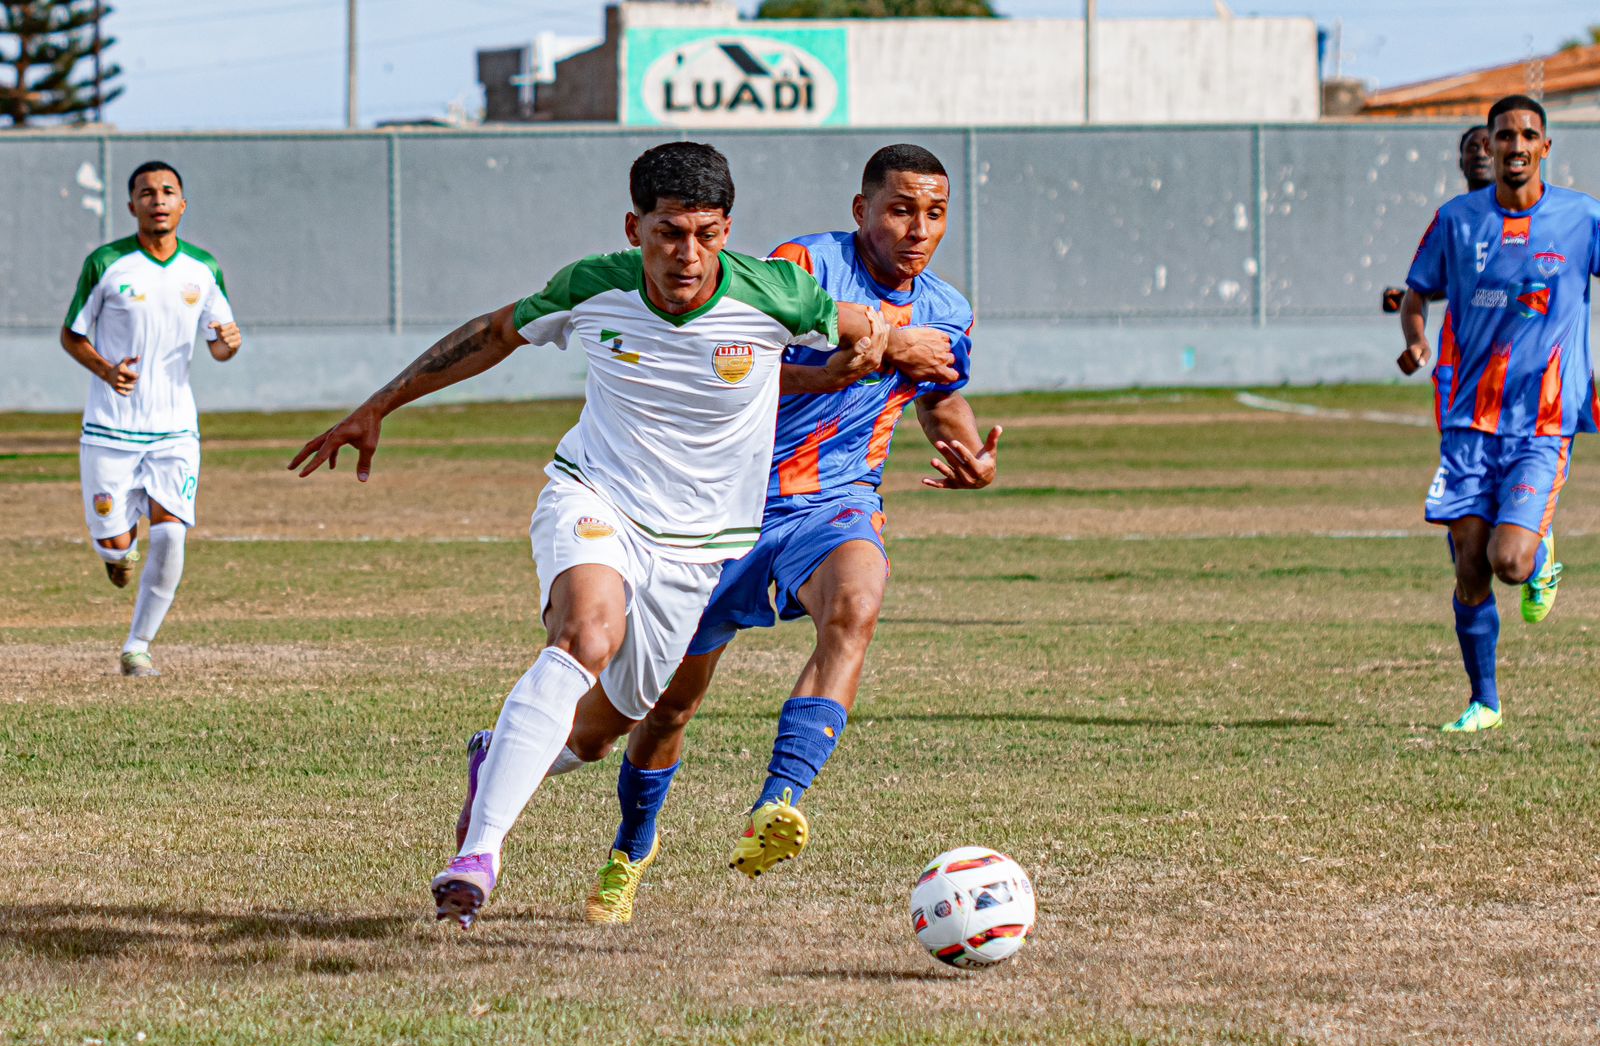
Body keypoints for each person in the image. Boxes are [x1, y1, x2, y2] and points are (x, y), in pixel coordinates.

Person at [289, 142, 890, 929]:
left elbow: (862, 330)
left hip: (698, 546)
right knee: (586, 634)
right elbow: (495, 332)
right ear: (635, 226)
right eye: (670, 233)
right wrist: (378, 405)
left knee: (609, 729)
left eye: (707, 234)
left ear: (727, 229)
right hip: (595, 494)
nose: (688, 254)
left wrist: (854, 357)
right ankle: (477, 860)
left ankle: (493, 757)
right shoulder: (594, 284)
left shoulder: (776, 292)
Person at [454, 144, 997, 925]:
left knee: (857, 603)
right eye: (900, 209)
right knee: (647, 715)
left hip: (834, 502)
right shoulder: (802, 265)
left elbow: (940, 399)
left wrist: (968, 451)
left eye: (935, 213)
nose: (917, 229)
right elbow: (738, 359)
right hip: (720, 508)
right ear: (863, 210)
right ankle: (626, 850)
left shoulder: (948, 309)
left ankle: (778, 803)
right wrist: (841, 364)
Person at [1397, 95, 1600, 733]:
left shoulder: (1581, 218)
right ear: (1487, 145)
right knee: (1468, 562)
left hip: (1542, 419)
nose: (1515, 145)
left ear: (1545, 147)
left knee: (1509, 562)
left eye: (1528, 135)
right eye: (1503, 135)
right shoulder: (1456, 221)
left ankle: (1539, 558)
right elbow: (1414, 291)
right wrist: (1415, 339)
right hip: (1468, 421)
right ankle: (1484, 701)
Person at [61, 161, 242, 678]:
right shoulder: (107, 264)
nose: (157, 199)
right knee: (119, 549)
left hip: (174, 429)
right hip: (109, 429)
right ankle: (115, 553)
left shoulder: (202, 269)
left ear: (182, 204)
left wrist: (229, 344)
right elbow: (72, 334)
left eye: (167, 191)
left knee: (170, 534)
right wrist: (104, 368)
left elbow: (220, 343)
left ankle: (138, 645)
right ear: (131, 206)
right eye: (146, 192)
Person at [1383, 124, 1495, 429]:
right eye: (1472, 147)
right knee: (1460, 464)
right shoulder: (1451, 218)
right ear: (1460, 162)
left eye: (1487, 145)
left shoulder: (1534, 219)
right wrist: (1416, 338)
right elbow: (1425, 288)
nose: (1481, 153)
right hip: (1458, 360)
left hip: (1515, 367)